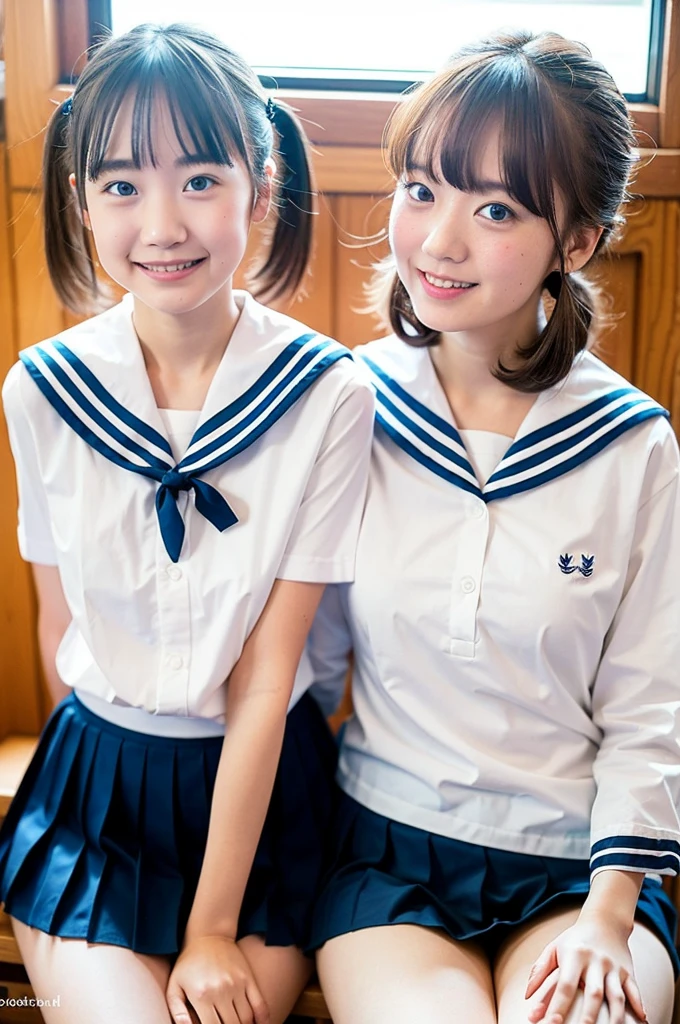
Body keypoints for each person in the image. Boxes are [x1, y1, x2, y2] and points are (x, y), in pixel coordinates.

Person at [0, 22, 374, 1024]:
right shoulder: (42, 388)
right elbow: (55, 622)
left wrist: (210, 928)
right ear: (80, 201)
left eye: (200, 178)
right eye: (121, 185)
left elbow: (265, 679)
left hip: (266, 788)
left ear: (257, 183)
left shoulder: (326, 394)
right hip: (99, 790)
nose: (161, 222)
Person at [306, 30, 680, 1024]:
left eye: (495, 208)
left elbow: (652, 705)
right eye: (421, 189)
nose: (438, 240)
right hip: (388, 853)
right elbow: (300, 660)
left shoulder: (630, 447)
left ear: (575, 243)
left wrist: (609, 915)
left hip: (579, 874)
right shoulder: (347, 406)